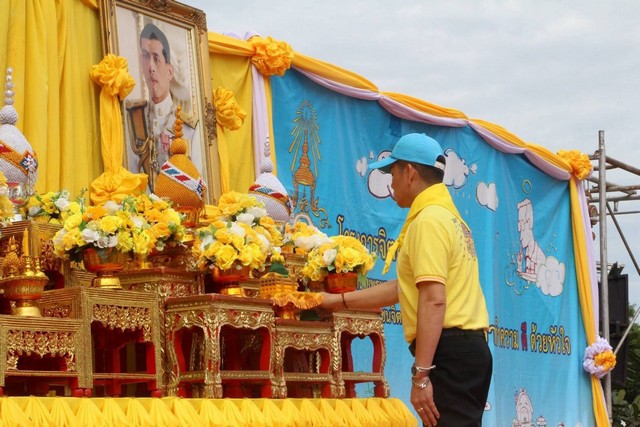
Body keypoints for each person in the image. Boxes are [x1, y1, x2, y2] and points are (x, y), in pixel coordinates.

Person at [320, 133, 492, 426]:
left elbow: (434, 300)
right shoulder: (448, 218)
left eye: (392, 173)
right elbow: (406, 288)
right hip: (465, 351)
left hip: (450, 353)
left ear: (410, 172)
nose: (391, 183)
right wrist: (336, 301)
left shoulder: (429, 221)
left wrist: (421, 375)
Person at [128, 23, 201, 192]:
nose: (151, 67)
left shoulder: (189, 128)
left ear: (169, 71)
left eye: (156, 58)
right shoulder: (133, 117)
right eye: (145, 57)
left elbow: (197, 184)